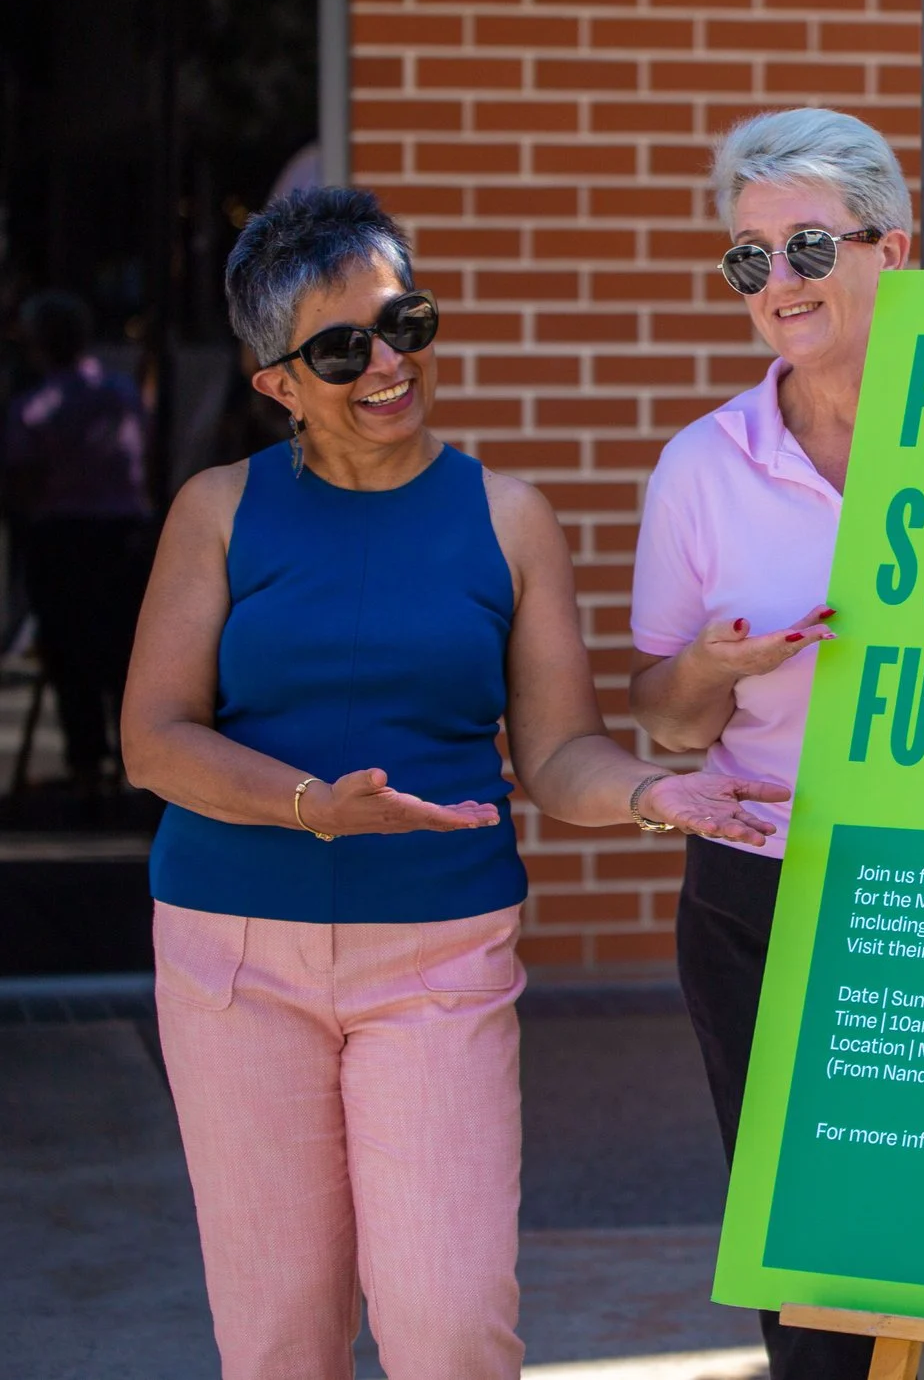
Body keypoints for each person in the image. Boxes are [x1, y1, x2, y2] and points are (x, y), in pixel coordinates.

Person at [124, 187, 787, 1380]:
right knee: (280, 1333)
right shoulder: (218, 510)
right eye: (342, 349)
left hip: (437, 954)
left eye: (404, 322)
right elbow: (154, 738)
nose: (388, 363)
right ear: (276, 381)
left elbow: (558, 752)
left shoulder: (509, 516)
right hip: (233, 952)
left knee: (450, 1325)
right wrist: (309, 804)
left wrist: (651, 793)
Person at [630, 109, 924, 1380]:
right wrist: (716, 661)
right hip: (769, 884)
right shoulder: (701, 466)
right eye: (748, 256)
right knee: (817, 1281)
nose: (780, 282)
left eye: (808, 243)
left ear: (895, 251)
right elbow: (661, 717)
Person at [5, 288, 152, 798]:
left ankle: (88, 766)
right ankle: (137, 763)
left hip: (64, 535)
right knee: (124, 652)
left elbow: (22, 480)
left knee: (70, 656)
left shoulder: (36, 406)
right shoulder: (119, 393)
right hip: (122, 535)